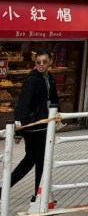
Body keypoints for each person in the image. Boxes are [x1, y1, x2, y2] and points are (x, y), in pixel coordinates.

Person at [10, 50, 59, 197]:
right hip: (33, 126)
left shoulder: (50, 78)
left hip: (44, 125)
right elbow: (23, 104)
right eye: (38, 62)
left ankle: (5, 189)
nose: (41, 65)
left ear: (50, 62)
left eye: (44, 62)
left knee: (33, 159)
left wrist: (58, 117)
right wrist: (19, 131)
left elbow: (54, 99)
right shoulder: (32, 80)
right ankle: (39, 196)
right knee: (39, 159)